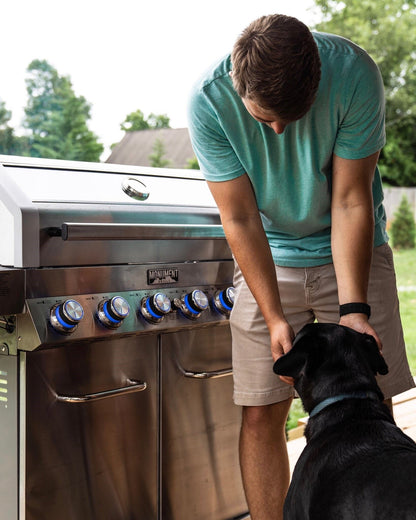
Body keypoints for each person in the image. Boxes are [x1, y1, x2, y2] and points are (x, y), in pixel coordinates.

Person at [187, 13, 415, 520]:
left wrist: (355, 310)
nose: (278, 130)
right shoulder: (208, 102)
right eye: (264, 118)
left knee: (371, 407)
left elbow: (351, 200)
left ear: (317, 79)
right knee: (260, 412)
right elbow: (240, 217)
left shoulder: (355, 73)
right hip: (268, 254)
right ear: (237, 84)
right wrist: (272, 318)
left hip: (351, 245)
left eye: (292, 115)